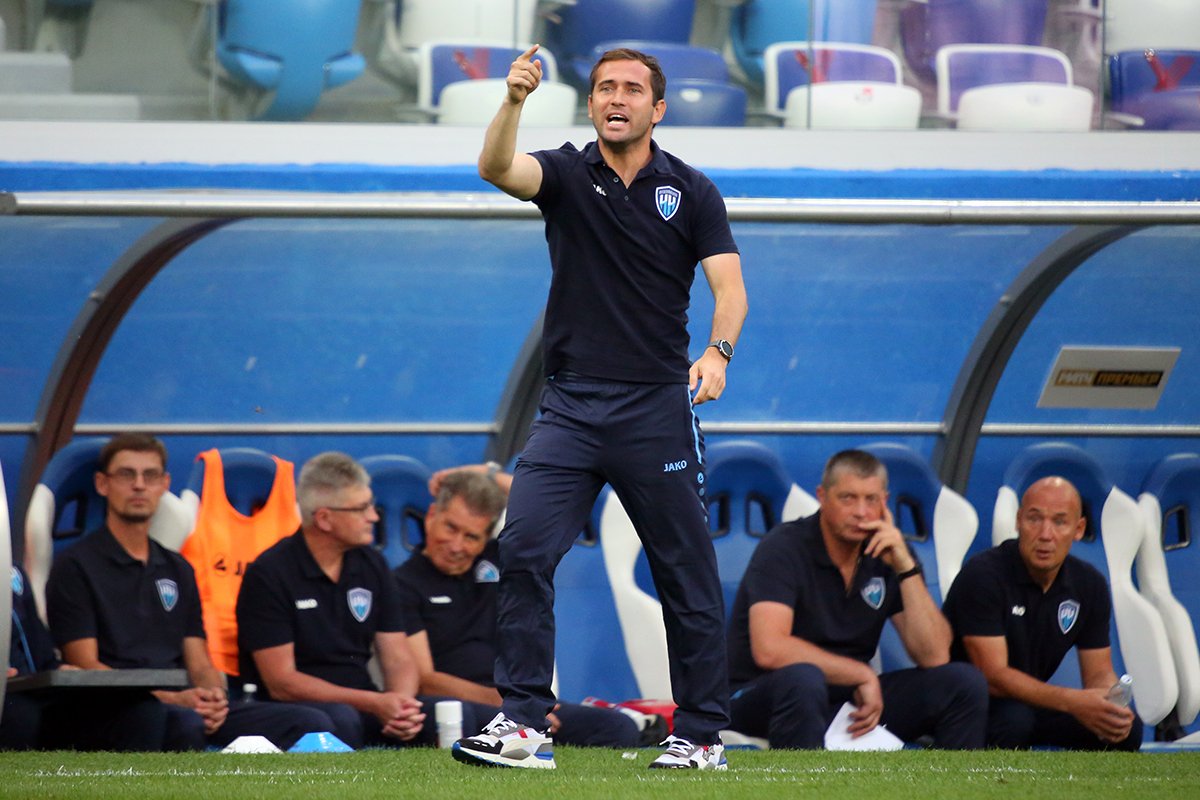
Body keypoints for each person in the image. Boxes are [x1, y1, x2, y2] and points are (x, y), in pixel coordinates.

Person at [456, 44, 748, 771]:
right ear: (590, 104)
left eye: (632, 89)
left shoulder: (693, 190)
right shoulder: (563, 172)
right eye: (605, 88)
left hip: (656, 409)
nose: (617, 98)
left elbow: (730, 289)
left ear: (658, 107)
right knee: (523, 548)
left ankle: (701, 736)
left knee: (685, 574)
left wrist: (718, 353)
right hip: (571, 408)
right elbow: (495, 168)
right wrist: (513, 101)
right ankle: (524, 725)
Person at [45, 433, 331, 751]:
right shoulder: (75, 566)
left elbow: (199, 661)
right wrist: (172, 699)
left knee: (309, 722)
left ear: (164, 484)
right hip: (119, 709)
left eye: (150, 475)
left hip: (185, 705)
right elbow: (86, 666)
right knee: (177, 722)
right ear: (102, 484)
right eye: (127, 474)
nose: (139, 485)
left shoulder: (178, 568)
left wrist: (213, 697)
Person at [725, 449, 988, 749]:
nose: (861, 512)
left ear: (885, 502)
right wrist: (860, 674)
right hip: (763, 693)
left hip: (849, 698)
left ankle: (951, 779)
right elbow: (770, 649)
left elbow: (935, 655)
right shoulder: (784, 547)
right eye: (848, 498)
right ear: (822, 497)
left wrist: (905, 567)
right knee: (804, 680)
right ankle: (803, 777)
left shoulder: (889, 552)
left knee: (963, 683)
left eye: (871, 500)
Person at [236, 451, 494, 749]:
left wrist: (402, 706)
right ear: (325, 519)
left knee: (455, 714)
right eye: (361, 508)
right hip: (296, 707)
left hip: (364, 702)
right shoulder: (270, 573)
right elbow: (283, 684)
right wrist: (374, 702)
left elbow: (398, 658)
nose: (373, 516)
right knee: (339, 720)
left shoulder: (372, 564)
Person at [395, 468, 656, 750]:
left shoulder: (500, 559)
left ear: (485, 538)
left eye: (471, 537)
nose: (457, 546)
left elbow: (548, 503)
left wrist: (488, 473)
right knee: (462, 717)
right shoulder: (402, 583)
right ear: (431, 515)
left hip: (517, 702)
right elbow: (425, 680)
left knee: (618, 727)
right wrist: (502, 704)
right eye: (451, 528)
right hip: (460, 706)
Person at [942, 475, 1143, 750]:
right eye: (1034, 519)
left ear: (1078, 529)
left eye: (1059, 522)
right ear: (1018, 521)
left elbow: (1099, 671)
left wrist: (1108, 702)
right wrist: (1073, 701)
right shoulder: (984, 575)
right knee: (1015, 721)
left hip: (1031, 704)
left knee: (1126, 730)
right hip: (972, 707)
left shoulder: (1089, 584)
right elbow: (993, 676)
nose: (1045, 534)